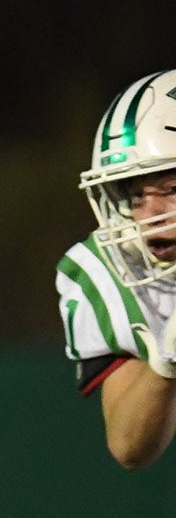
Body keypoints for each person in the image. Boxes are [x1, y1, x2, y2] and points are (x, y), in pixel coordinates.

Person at [58, 69, 176, 471]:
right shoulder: (112, 272)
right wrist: (165, 361)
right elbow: (129, 446)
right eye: (137, 194)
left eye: (172, 190)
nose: (149, 216)